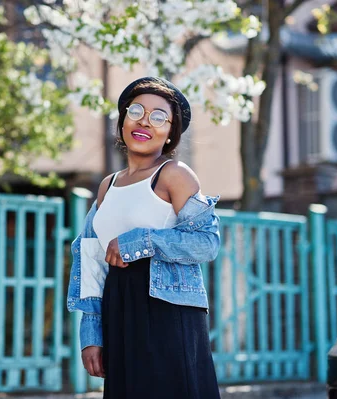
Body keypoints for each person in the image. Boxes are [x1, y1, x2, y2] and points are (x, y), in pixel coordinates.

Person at [67, 76, 221, 398]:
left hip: (166, 310)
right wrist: (91, 333)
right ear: (122, 119)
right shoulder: (107, 185)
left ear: (170, 133)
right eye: (136, 111)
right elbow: (92, 259)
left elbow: (207, 243)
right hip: (119, 309)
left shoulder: (174, 175)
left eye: (159, 117)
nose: (145, 122)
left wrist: (139, 242)